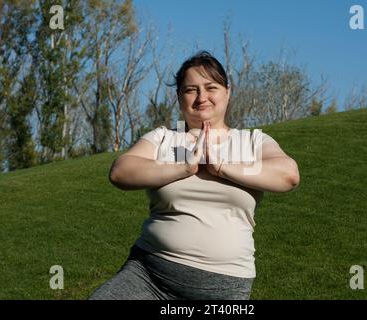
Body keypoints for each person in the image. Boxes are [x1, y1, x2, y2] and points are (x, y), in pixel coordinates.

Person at [89, 51, 300, 300]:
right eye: (191, 90)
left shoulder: (251, 141)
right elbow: (121, 172)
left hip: (223, 288)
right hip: (148, 275)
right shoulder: (164, 138)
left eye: (211, 87)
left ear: (227, 92)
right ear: (179, 97)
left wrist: (221, 167)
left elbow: (288, 175)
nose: (202, 97)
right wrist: (184, 168)